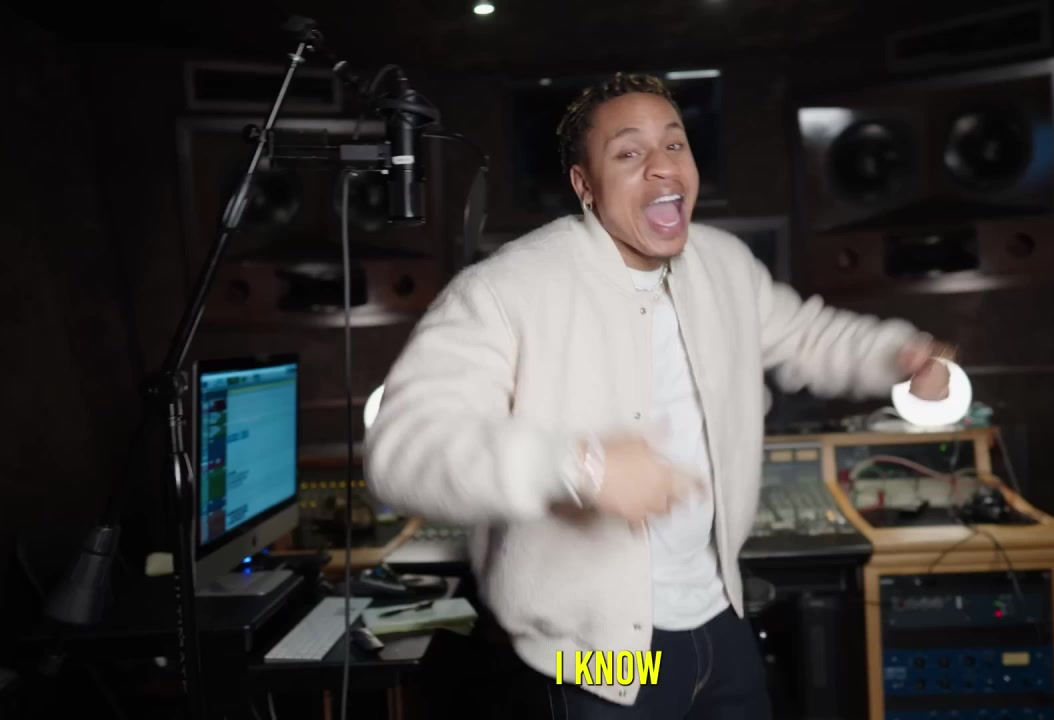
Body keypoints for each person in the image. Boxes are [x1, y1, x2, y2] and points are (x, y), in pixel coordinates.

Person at [364, 73, 953, 719]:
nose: (662, 166)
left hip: (720, 624)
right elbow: (403, 449)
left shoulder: (724, 263)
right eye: (628, 152)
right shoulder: (504, 289)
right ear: (585, 185)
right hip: (599, 654)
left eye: (674, 145)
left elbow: (808, 337)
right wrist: (581, 468)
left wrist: (899, 355)